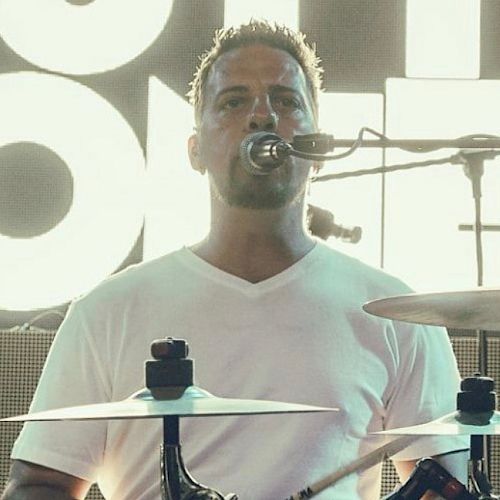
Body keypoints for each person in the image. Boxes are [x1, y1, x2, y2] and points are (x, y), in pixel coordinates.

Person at [2, 20, 467, 500]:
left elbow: (444, 486)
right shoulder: (106, 309)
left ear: (319, 147)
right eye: (233, 101)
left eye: (286, 101)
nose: (261, 116)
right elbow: (41, 486)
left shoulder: (395, 311)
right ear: (195, 150)